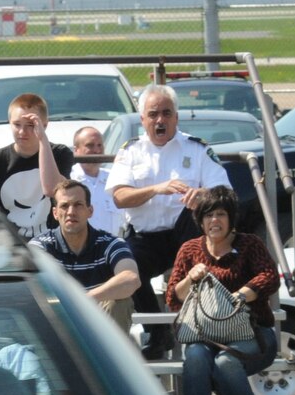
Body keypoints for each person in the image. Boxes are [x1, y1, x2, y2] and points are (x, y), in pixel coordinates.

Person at [109, 85, 231, 356]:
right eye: (153, 114)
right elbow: (119, 196)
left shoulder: (197, 149)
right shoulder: (131, 151)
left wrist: (203, 195)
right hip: (145, 237)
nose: (160, 120)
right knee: (126, 265)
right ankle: (158, 333)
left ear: (177, 117)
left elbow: (225, 192)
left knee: (198, 231)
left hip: (185, 234)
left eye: (166, 113)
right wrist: (156, 189)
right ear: (143, 119)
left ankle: (203, 330)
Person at [165, 186, 280, 395]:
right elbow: (173, 298)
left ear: (231, 218)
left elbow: (270, 276)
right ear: (200, 220)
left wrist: (238, 297)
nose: (214, 220)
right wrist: (191, 278)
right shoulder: (189, 250)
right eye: (208, 215)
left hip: (254, 332)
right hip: (204, 335)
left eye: (220, 214)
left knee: (225, 362)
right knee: (195, 356)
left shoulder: (250, 244)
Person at [33, 180, 139, 335]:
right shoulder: (40, 247)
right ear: (55, 213)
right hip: (57, 323)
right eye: (64, 206)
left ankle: (105, 359)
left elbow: (131, 279)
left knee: (120, 302)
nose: (71, 212)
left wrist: (85, 300)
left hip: (99, 329)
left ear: (90, 211)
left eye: (78, 205)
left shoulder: (110, 243)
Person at [0, 92, 75, 240]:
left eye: (31, 125)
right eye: (17, 124)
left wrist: (42, 139)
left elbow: (53, 189)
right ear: (9, 122)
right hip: (12, 242)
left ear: (44, 125)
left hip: (53, 238)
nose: (22, 132)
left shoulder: (60, 153)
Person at [71, 124, 122, 237]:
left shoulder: (115, 179)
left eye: (100, 145)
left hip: (111, 249)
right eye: (90, 145)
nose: (97, 150)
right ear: (76, 150)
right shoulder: (68, 180)